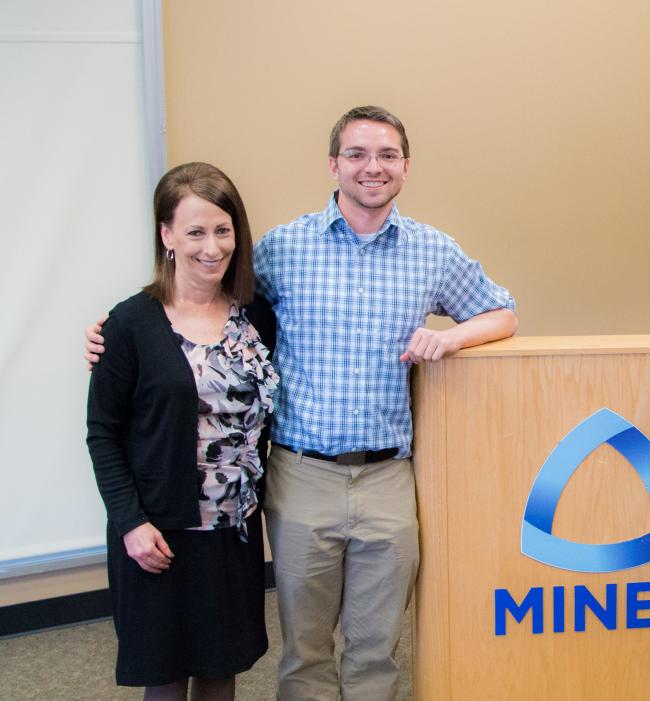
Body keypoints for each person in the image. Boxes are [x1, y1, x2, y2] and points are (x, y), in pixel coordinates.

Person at [88, 106, 517, 700]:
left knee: (376, 648)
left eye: (387, 155)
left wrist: (450, 336)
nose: (373, 167)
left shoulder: (433, 252)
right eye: (358, 154)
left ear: (406, 166)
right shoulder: (283, 250)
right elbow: (204, 295)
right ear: (333, 165)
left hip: (389, 476)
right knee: (305, 651)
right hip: (300, 475)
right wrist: (116, 327)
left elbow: (503, 311)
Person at [86, 162, 278, 701]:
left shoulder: (258, 315)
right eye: (195, 231)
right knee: (167, 682)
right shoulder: (129, 325)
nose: (212, 247)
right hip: (158, 537)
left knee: (221, 673)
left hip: (233, 533)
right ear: (167, 235)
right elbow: (102, 433)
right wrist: (129, 523)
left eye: (223, 229)